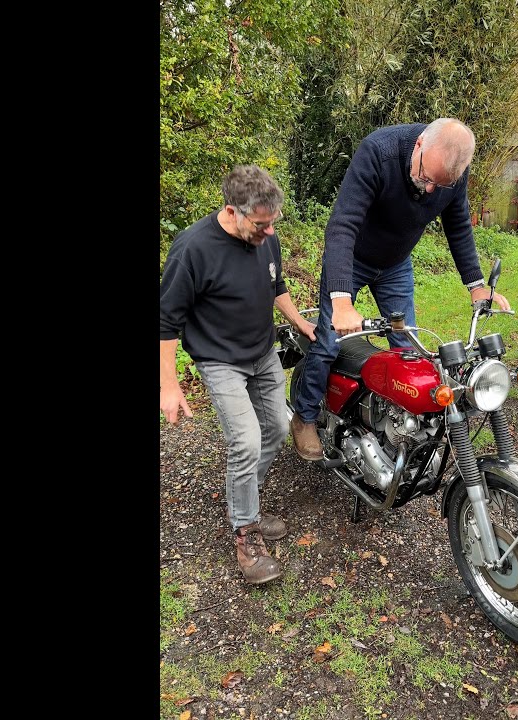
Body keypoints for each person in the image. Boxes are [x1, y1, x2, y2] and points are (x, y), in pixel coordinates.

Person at [288, 118, 511, 459]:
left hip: (395, 265)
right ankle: (304, 417)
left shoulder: (451, 169)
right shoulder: (379, 151)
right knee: (330, 340)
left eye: (441, 184)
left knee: (408, 348)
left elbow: (458, 226)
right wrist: (342, 301)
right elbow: (342, 227)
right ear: (420, 144)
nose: (430, 189)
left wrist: (477, 287)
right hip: (352, 261)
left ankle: (397, 430)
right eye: (426, 177)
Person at [160, 165, 317, 585]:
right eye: (260, 225)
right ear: (232, 210)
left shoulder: (267, 238)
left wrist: (299, 321)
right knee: (245, 440)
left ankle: (243, 501)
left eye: (272, 224)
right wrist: (169, 385)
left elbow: (276, 284)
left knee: (277, 431)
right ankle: (245, 532)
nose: (268, 233)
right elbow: (165, 322)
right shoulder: (192, 249)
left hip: (262, 353)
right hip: (220, 361)